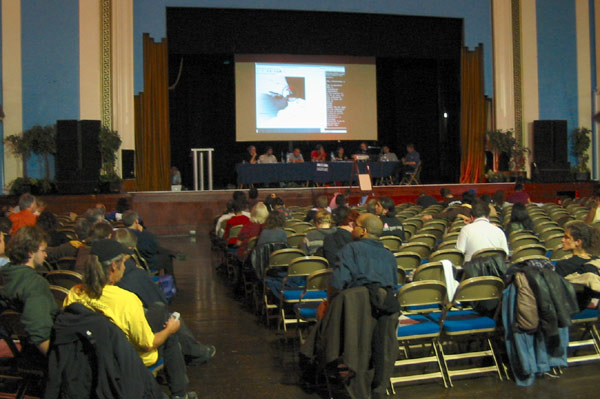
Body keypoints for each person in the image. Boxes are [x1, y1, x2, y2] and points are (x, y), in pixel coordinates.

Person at [64, 239, 197, 399]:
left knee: (157, 310)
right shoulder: (126, 300)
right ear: (114, 266)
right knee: (168, 333)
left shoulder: (74, 293)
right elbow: (148, 344)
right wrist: (170, 330)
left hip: (90, 357)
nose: (125, 267)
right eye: (123, 262)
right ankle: (179, 394)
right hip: (126, 361)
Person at [113, 229, 216, 366]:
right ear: (131, 249)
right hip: (138, 330)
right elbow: (158, 301)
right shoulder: (134, 275)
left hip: (116, 332)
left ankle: (196, 351)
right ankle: (195, 353)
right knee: (169, 317)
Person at [0, 226, 57, 356]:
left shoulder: (5, 274)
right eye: (43, 250)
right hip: (40, 352)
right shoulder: (35, 284)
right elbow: (39, 332)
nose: (46, 254)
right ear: (30, 252)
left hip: (22, 346)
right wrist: (57, 363)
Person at [328, 213, 398, 298]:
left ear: (363, 231)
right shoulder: (390, 256)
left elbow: (337, 283)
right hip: (383, 308)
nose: (353, 228)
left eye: (356, 225)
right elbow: (393, 289)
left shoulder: (350, 250)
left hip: (355, 306)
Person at [554, 221, 600, 310]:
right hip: (593, 309)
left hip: (570, 310)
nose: (562, 240)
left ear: (578, 242)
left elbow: (557, 295)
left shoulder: (563, 265)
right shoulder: (596, 261)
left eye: (567, 237)